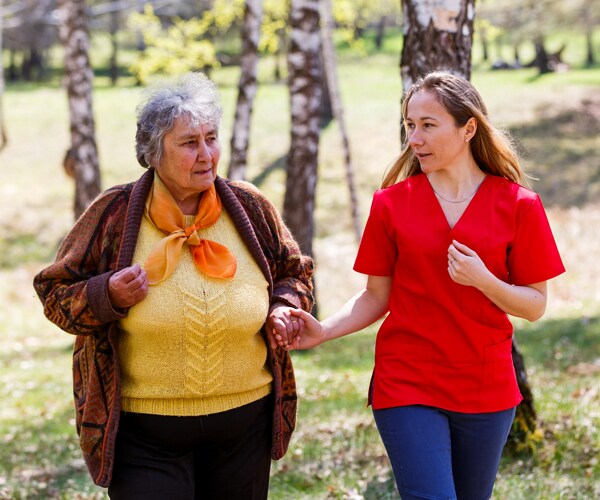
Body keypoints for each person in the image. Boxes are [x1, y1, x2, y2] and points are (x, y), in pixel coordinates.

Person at [280, 71, 565, 500]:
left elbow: (534, 304)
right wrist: (324, 331)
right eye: (410, 125)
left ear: (468, 128)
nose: (415, 138)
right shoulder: (391, 204)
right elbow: (376, 296)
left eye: (429, 125)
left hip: (485, 384)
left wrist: (485, 281)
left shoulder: (519, 206)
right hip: (407, 379)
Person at [33, 72, 313, 499]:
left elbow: (294, 270)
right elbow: (54, 292)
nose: (207, 155)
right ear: (153, 152)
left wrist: (282, 308)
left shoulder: (250, 207)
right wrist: (106, 295)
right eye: (189, 143)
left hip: (244, 426)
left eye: (211, 138)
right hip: (145, 436)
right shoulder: (114, 212)